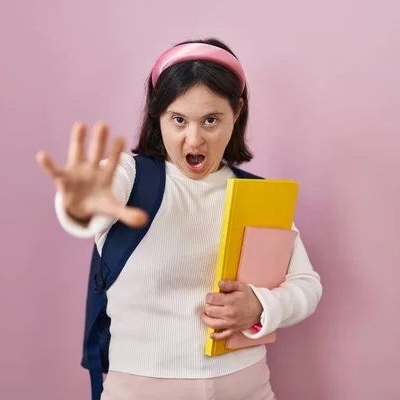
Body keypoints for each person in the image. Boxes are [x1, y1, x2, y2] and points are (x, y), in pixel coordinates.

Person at [36, 37, 323, 400]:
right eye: (178, 120)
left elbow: (307, 284)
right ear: (158, 115)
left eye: (211, 120)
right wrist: (79, 207)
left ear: (237, 112)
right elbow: (92, 204)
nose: (194, 139)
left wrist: (261, 306)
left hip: (246, 386)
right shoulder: (131, 176)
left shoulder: (258, 195)